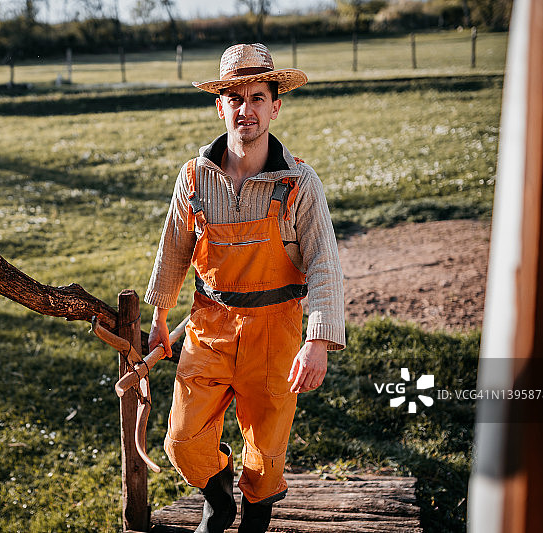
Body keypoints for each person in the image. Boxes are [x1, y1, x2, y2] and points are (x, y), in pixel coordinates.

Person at [145, 43, 345, 533]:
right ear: (220, 106)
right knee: (182, 440)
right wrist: (158, 320)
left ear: (275, 105)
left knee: (268, 452)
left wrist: (317, 342)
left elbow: (323, 263)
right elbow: (173, 249)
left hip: (276, 332)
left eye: (257, 97)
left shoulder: (299, 183)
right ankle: (219, 498)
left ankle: (255, 521)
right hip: (208, 325)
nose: (246, 109)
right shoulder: (194, 178)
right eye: (234, 98)